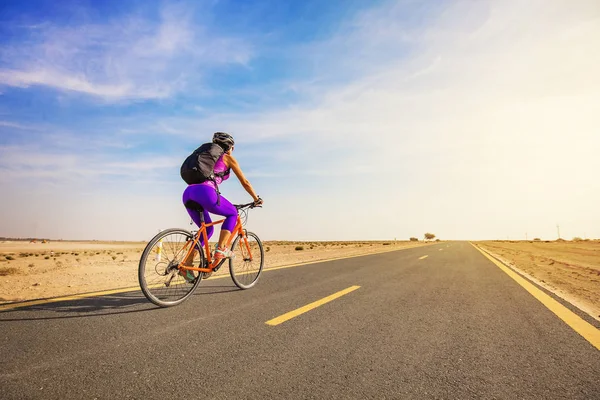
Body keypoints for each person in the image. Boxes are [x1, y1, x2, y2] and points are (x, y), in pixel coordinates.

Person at [182, 132, 263, 269]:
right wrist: (256, 199)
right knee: (232, 213)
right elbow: (245, 182)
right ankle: (221, 248)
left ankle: (187, 265)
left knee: (206, 231)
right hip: (205, 192)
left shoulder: (205, 158)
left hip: (188, 193)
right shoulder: (228, 158)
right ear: (229, 147)